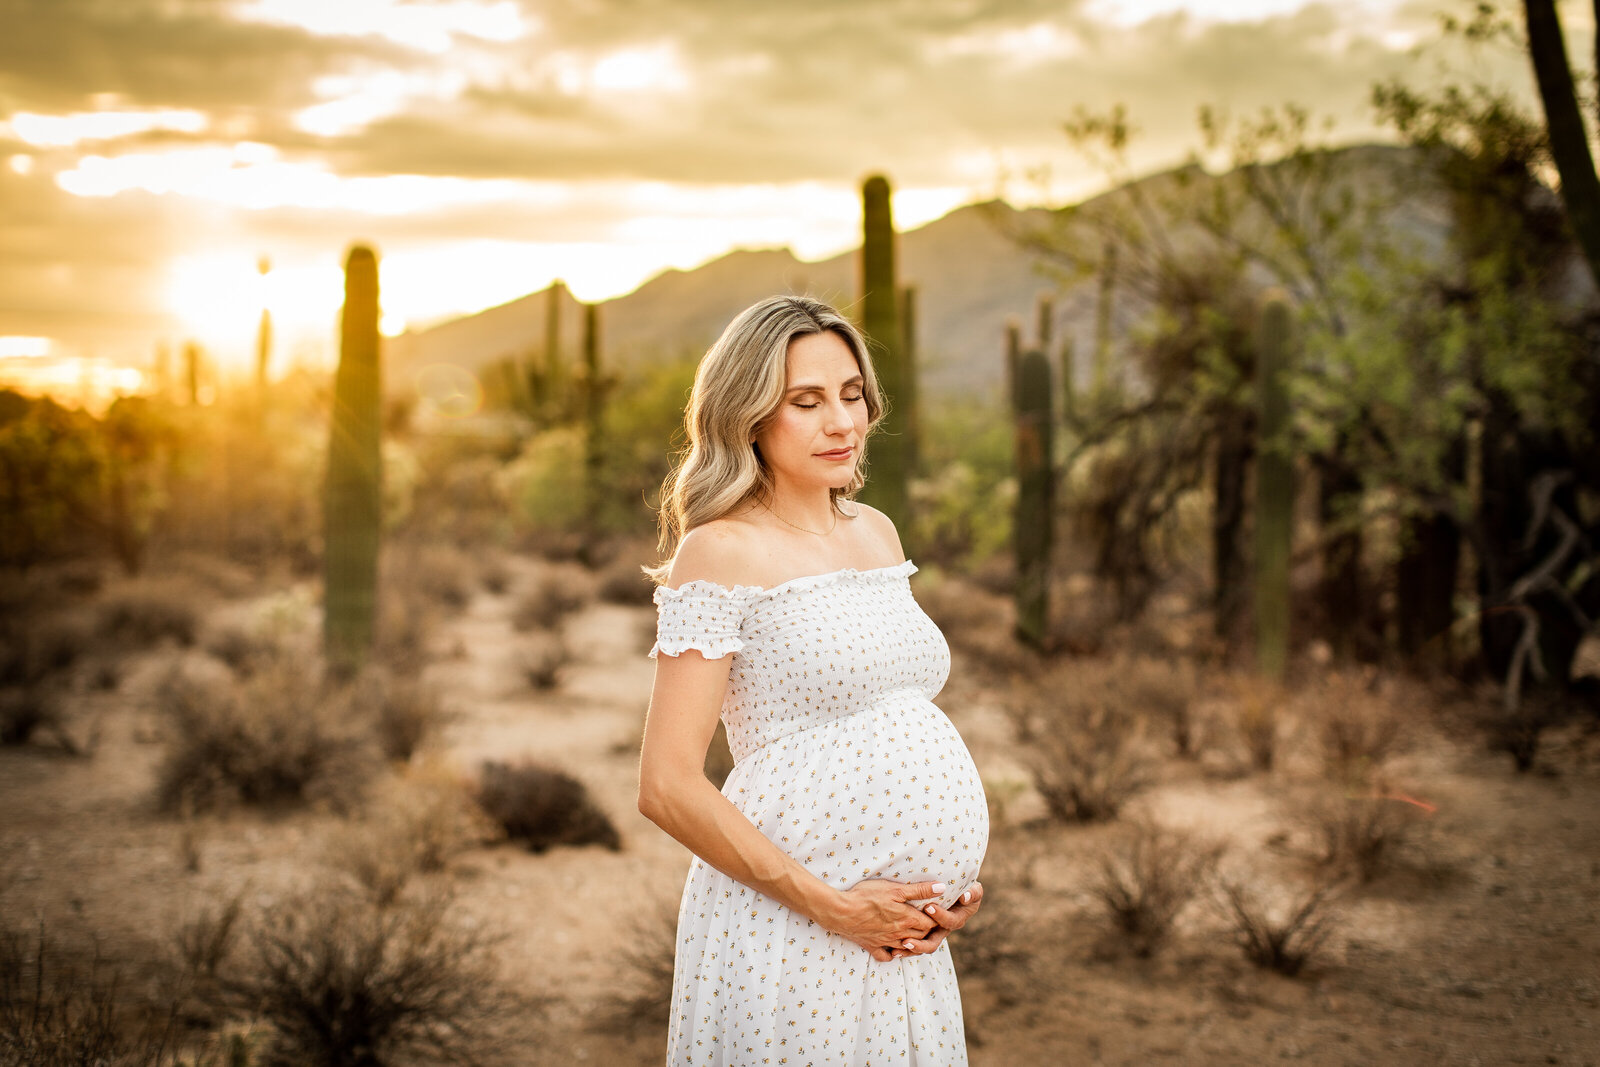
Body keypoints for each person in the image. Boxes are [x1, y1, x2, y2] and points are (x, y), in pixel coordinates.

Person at [637, 295, 989, 1065]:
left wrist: (942, 888)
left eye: (852, 394)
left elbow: (890, 714)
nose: (842, 421)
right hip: (792, 926)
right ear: (749, 415)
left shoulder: (876, 531)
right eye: (807, 401)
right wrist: (834, 906)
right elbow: (665, 784)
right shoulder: (721, 551)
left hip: (900, 945)